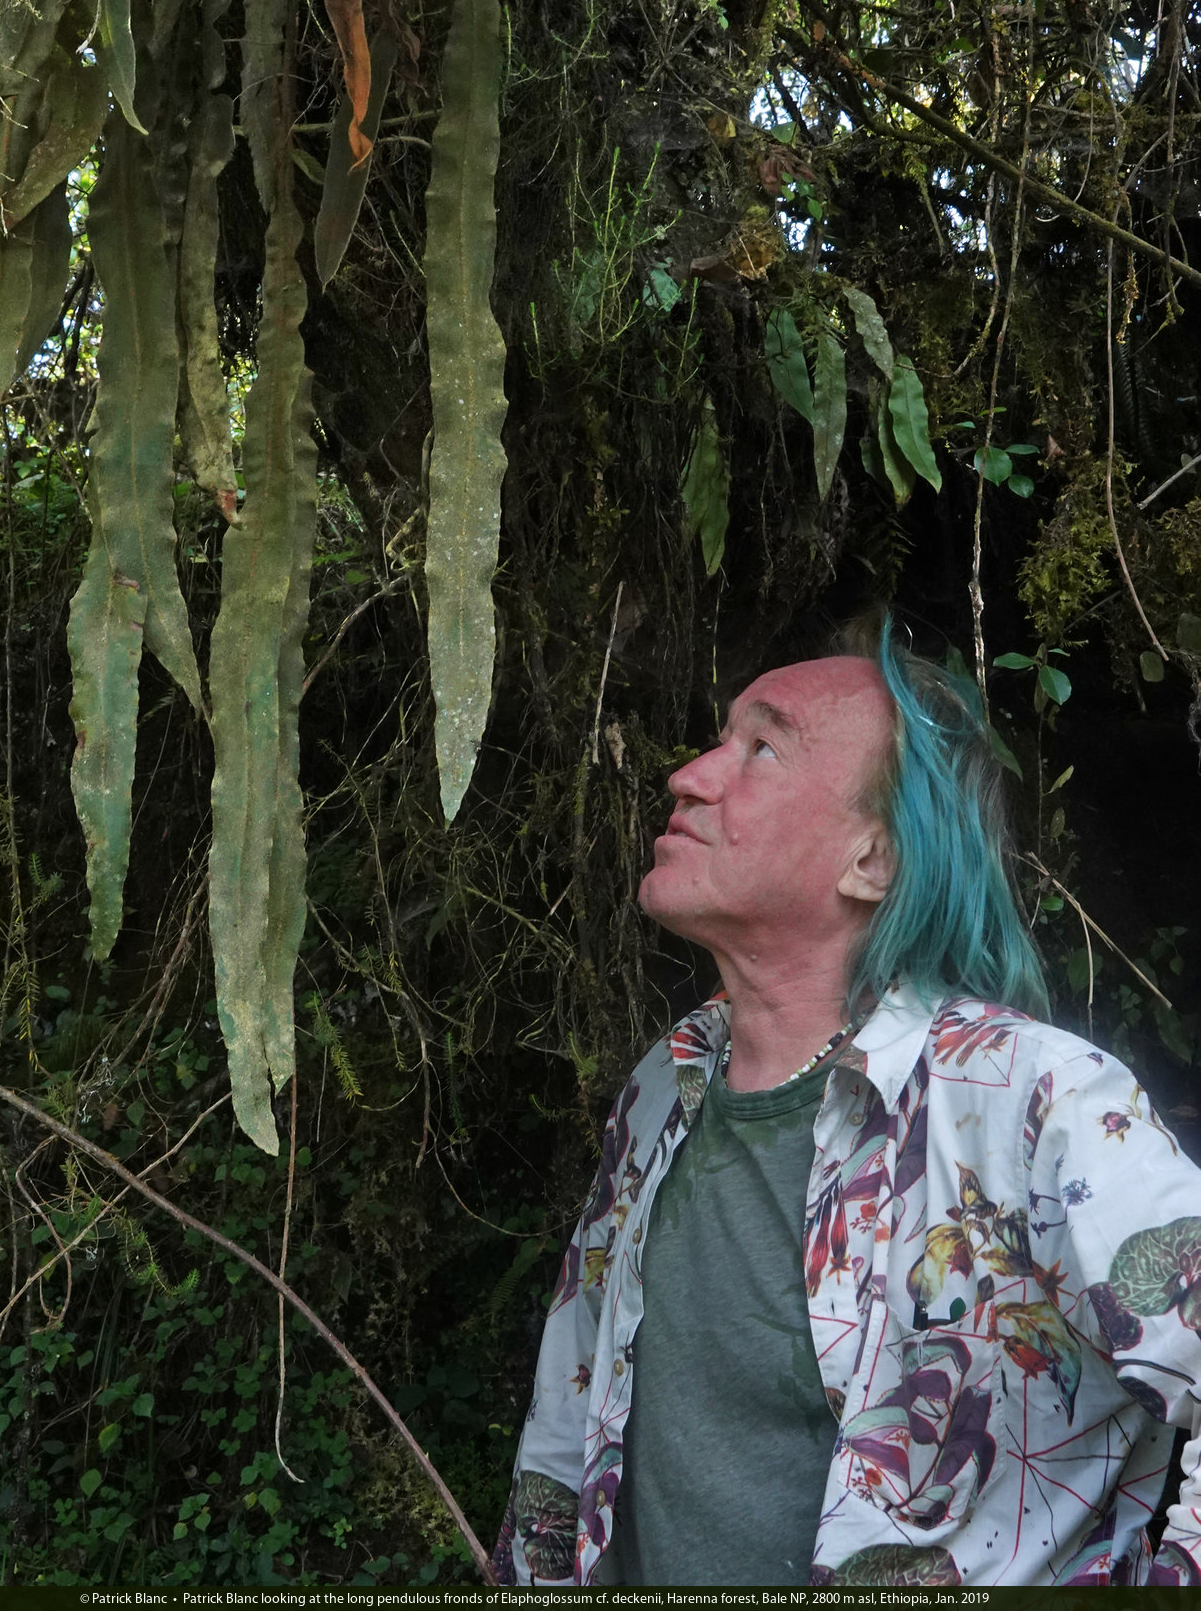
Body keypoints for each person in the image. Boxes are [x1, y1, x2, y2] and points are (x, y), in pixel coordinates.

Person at [492, 626, 1201, 1586]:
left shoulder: (1029, 1100)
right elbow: (571, 1411)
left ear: (872, 859)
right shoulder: (668, 1081)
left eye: (761, 748)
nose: (688, 777)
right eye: (720, 739)